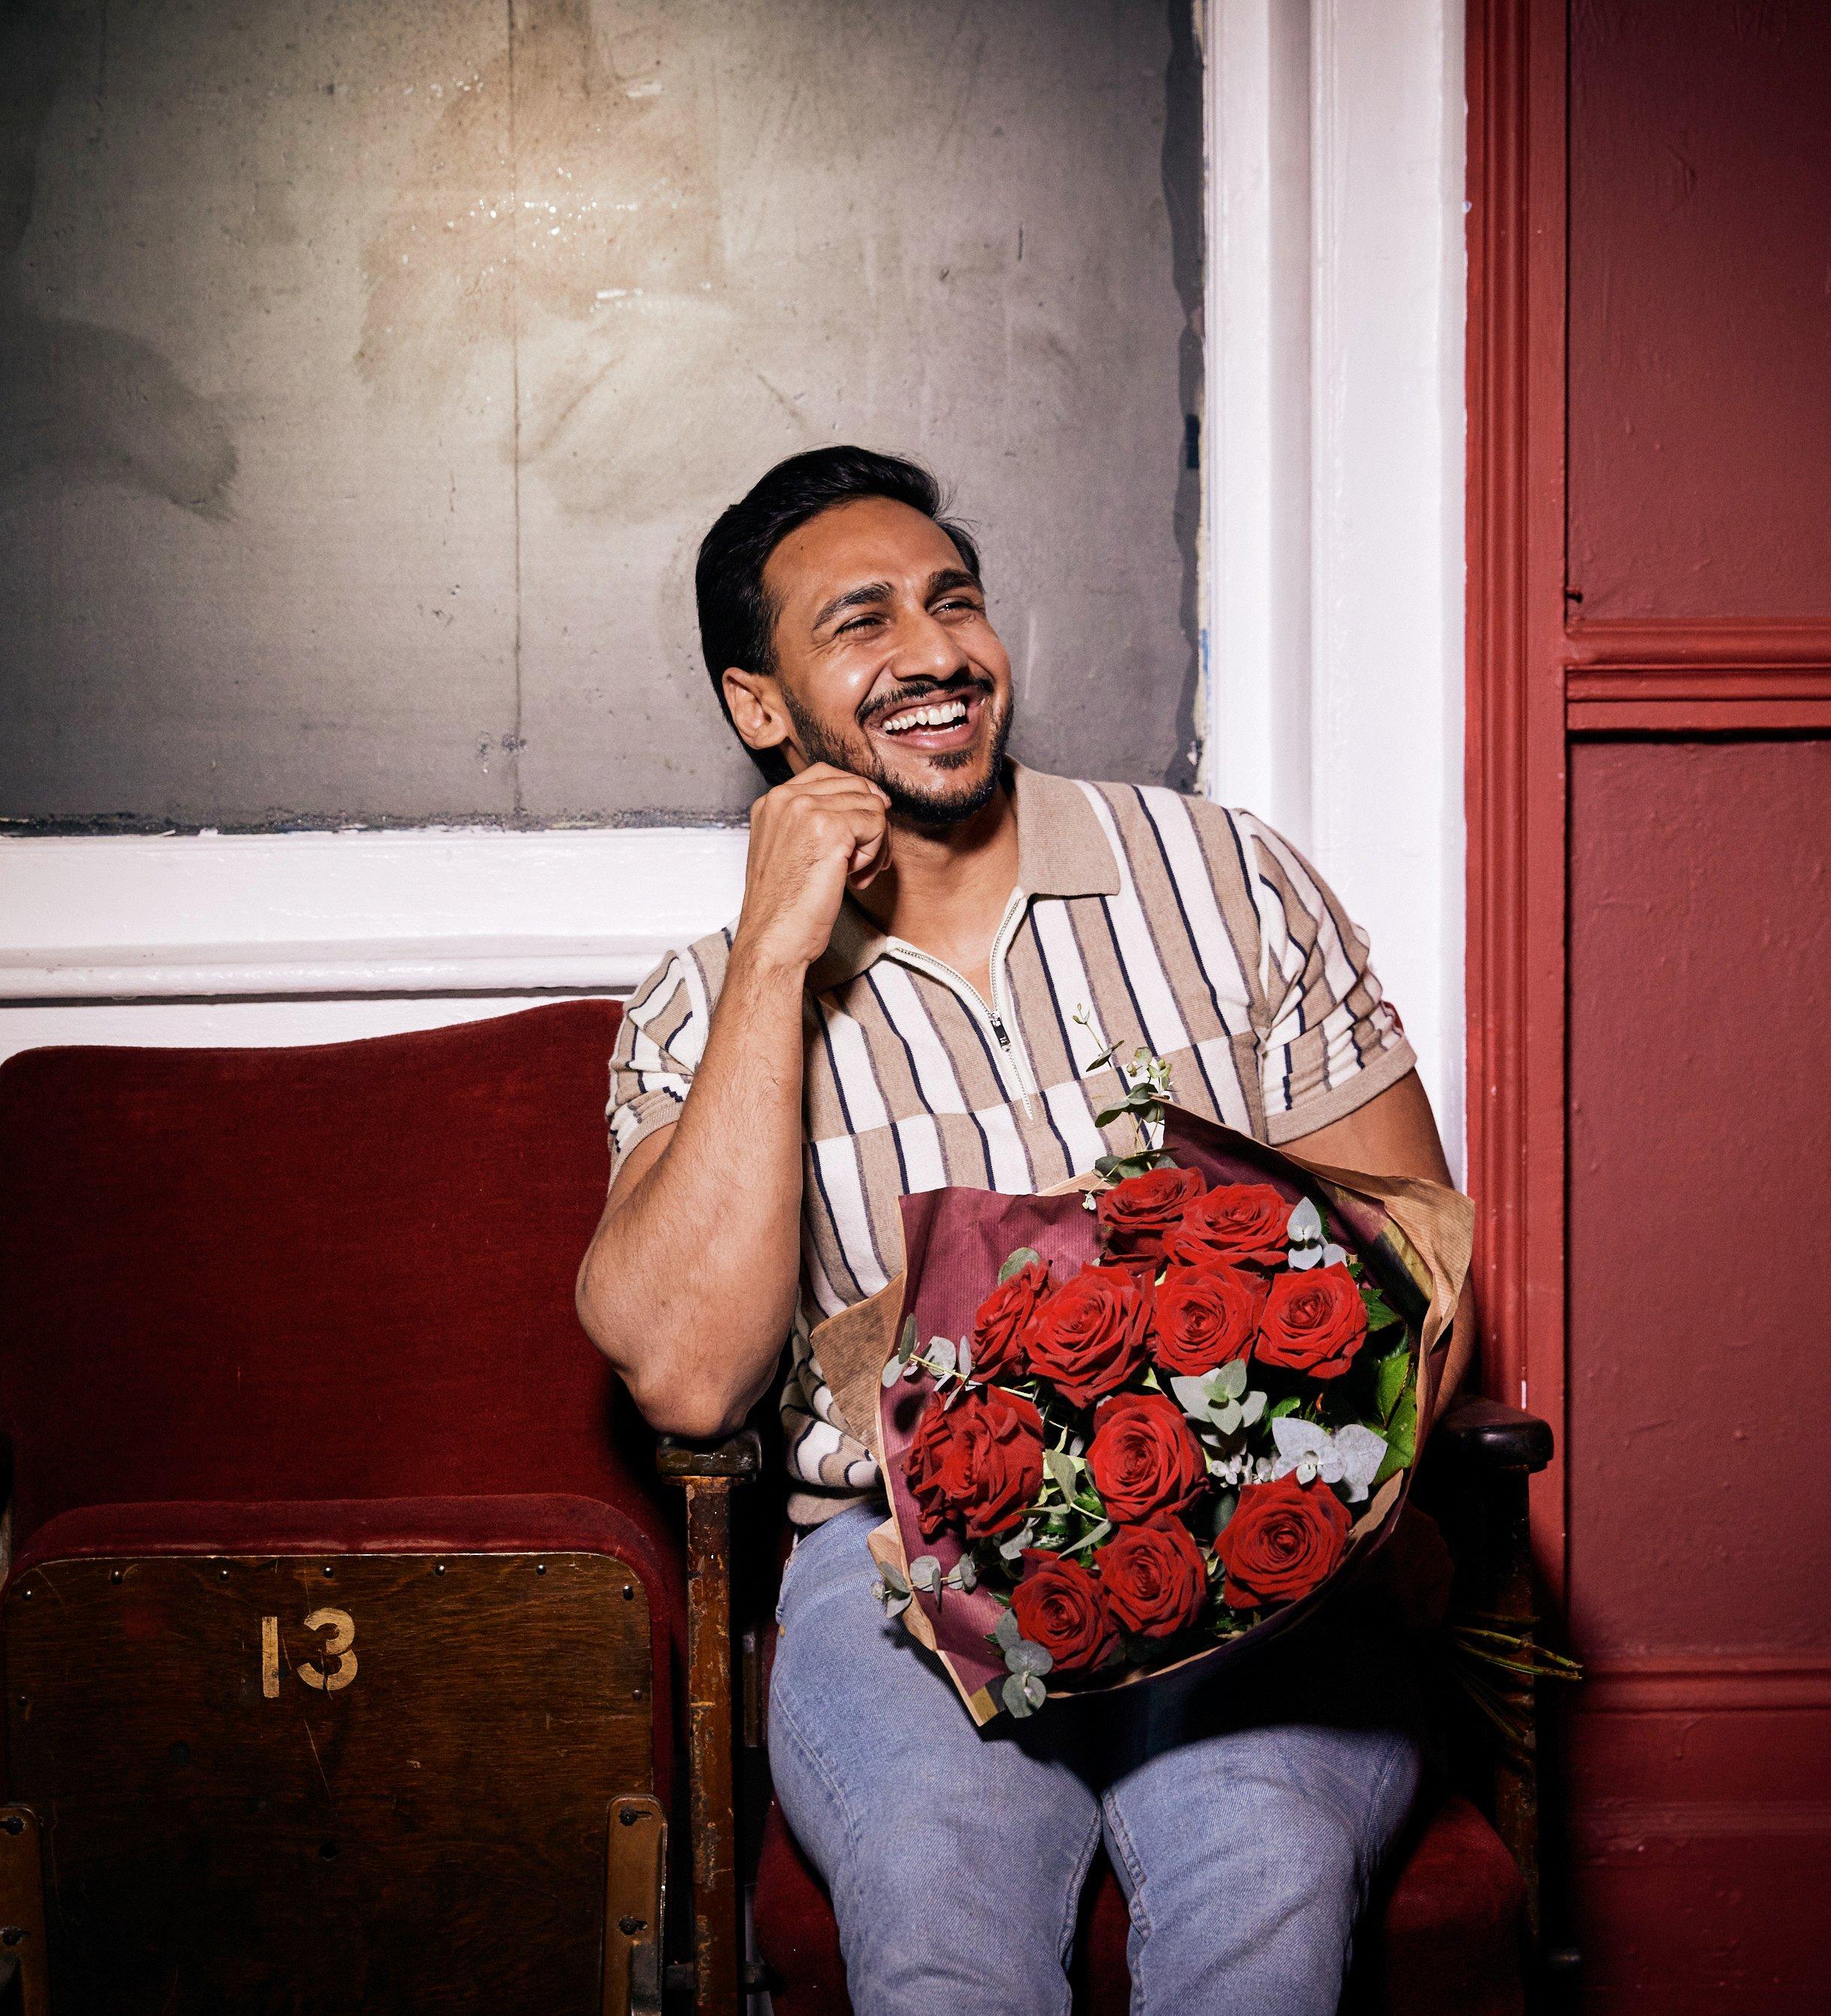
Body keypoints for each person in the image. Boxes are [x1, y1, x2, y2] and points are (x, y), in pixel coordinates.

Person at [576, 446, 1471, 2014]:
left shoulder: (1227, 881)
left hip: (1256, 1547)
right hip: (889, 1574)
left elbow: (1415, 1281)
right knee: (940, 1902)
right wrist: (775, 952)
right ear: (759, 707)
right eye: (861, 622)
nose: (934, 652)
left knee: (1259, 1870)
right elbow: (689, 1380)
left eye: (955, 603)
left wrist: (1259, 1529)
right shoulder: (696, 1006)